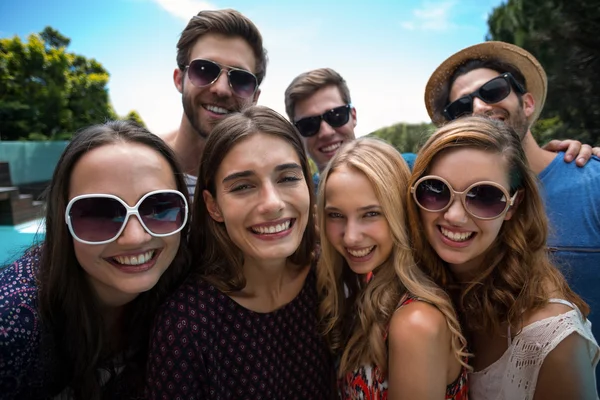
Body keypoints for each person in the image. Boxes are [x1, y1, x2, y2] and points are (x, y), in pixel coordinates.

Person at [424, 41, 600, 390]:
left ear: (528, 102)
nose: (477, 106)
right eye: (459, 107)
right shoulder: (438, 196)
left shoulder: (592, 182)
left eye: (492, 90)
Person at [146, 106, 333, 399]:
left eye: (287, 178)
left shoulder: (331, 278)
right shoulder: (186, 325)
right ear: (213, 206)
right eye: (243, 186)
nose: (272, 203)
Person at [0, 120, 191, 399]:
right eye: (100, 213)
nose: (135, 237)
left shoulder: (186, 291)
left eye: (159, 207)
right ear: (63, 222)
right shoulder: (11, 325)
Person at [316, 137, 469, 399]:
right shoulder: (366, 288)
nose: (350, 236)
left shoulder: (415, 322)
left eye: (371, 214)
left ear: (399, 212)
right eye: (336, 215)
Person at [284, 67, 596, 191]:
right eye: (309, 124)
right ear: (297, 132)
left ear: (353, 115)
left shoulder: (411, 170)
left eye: (336, 115)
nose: (325, 131)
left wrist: (577, 161)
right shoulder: (297, 199)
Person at [160, 9, 267, 198]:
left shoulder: (266, 184)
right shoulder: (136, 167)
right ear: (179, 79)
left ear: (255, 98)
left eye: (241, 79)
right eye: (204, 70)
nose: (222, 89)